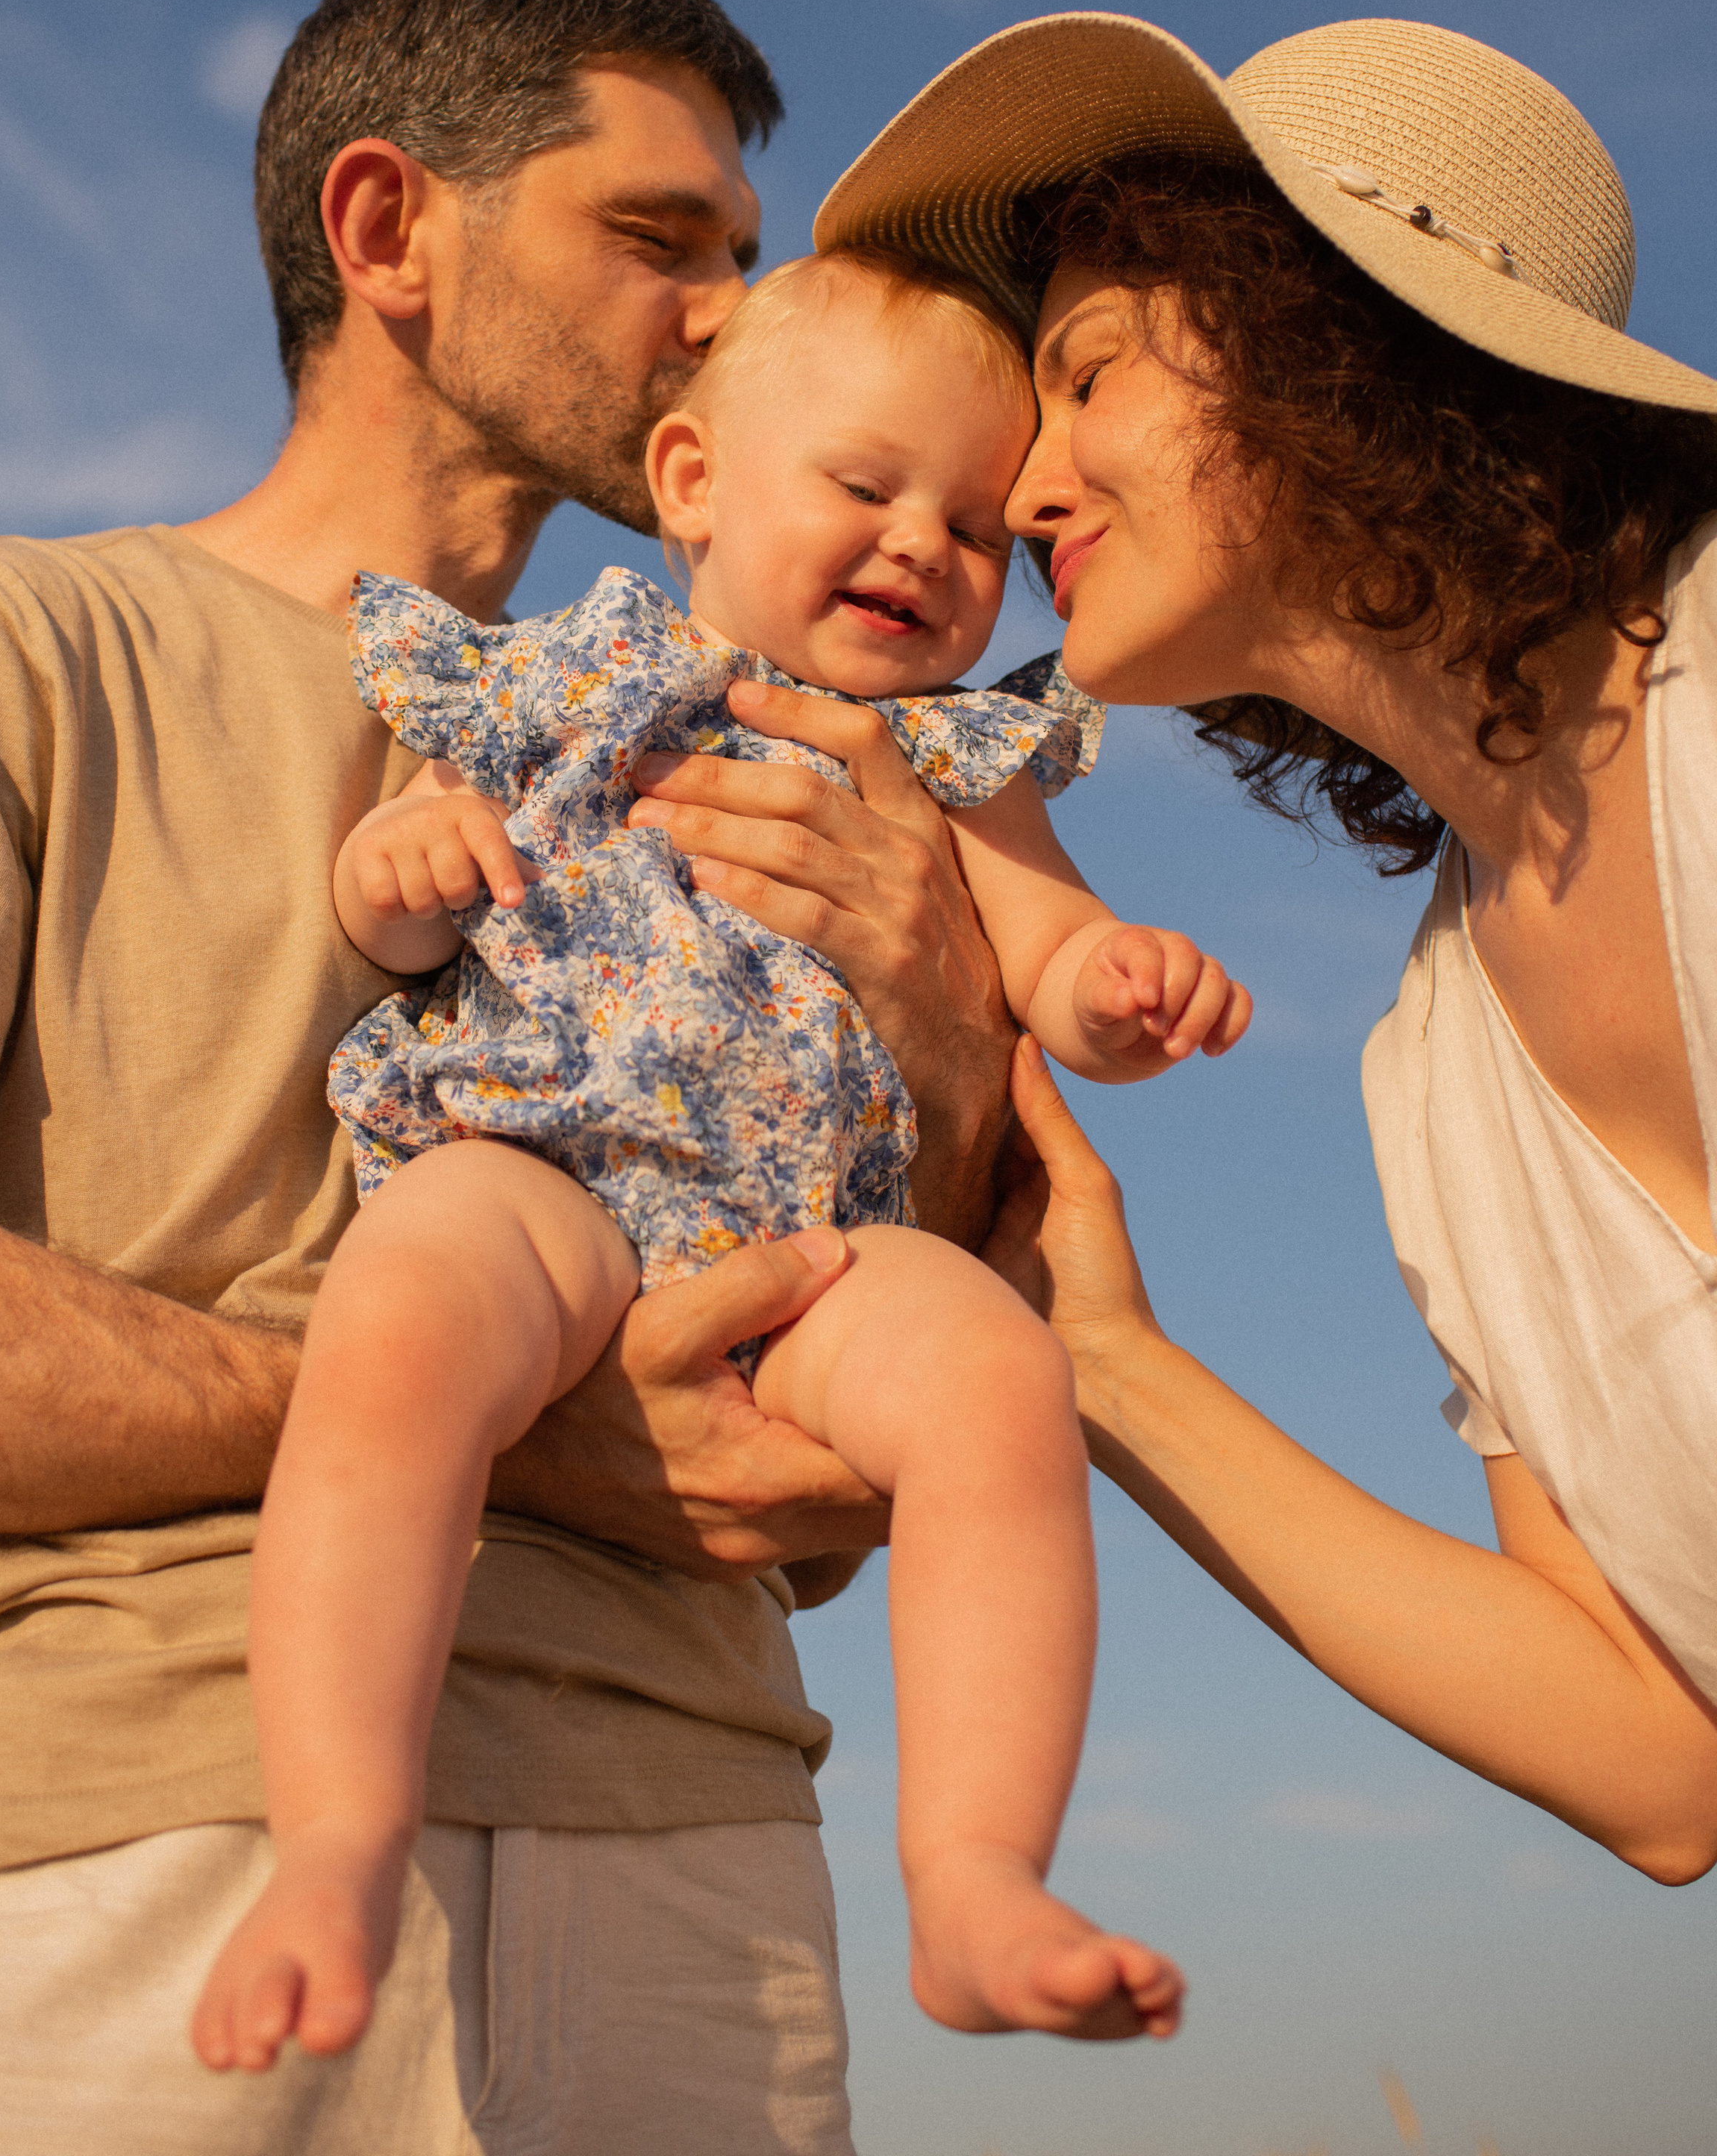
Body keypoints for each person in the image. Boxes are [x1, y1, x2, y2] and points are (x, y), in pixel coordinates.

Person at [0, 0, 1030, 2156]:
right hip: (115, 1853)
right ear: (387, 230)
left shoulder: (818, 750)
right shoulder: (3, 639)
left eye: (751, 254)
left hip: (709, 1875)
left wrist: (950, 1039)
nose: (732, 312)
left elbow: (839, 1471)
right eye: (663, 235)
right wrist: (482, 1424)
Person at [196, 245, 1250, 2075]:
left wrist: (1110, 988)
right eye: (864, 487)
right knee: (397, 1335)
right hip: (543, 1159)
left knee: (1002, 1381)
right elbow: (404, 886)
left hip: (808, 1234)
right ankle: (337, 1841)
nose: (924, 545)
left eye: (974, 527)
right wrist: (403, 877)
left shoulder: (953, 760)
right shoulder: (562, 675)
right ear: (692, 487)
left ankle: (978, 1876)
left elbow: (1044, 958)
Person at [798, 6, 1717, 1884]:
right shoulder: (1437, 1071)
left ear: (1333, 337)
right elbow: (1654, 1754)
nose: (1022, 489)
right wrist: (1102, 1361)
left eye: (1087, 372)